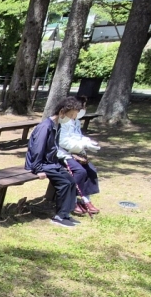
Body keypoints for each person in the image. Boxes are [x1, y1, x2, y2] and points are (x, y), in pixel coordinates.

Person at [25, 97, 84, 228]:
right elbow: (37, 150)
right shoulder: (45, 127)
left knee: (71, 181)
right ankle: (59, 217)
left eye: (74, 117)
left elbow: (54, 149)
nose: (73, 119)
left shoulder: (57, 126)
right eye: (71, 116)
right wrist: (38, 169)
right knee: (64, 184)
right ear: (62, 112)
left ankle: (66, 214)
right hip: (41, 164)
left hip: (51, 163)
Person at [56, 98, 101, 214]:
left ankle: (86, 200)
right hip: (63, 154)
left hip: (76, 153)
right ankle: (72, 200)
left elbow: (78, 136)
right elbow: (63, 142)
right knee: (80, 172)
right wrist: (82, 145)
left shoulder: (75, 121)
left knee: (91, 170)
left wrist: (87, 141)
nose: (75, 116)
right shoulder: (62, 122)